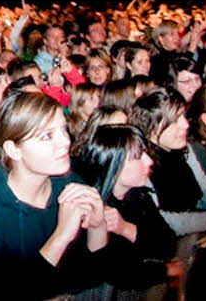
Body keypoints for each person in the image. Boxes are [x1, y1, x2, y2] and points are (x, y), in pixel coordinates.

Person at [0, 92, 109, 299]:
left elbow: (91, 275)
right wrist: (62, 235)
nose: (65, 142)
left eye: (63, 129)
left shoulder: (69, 183)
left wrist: (98, 225)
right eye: (47, 136)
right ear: (14, 150)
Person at [73, 125, 180, 297]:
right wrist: (165, 270)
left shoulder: (137, 195)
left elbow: (168, 244)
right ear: (115, 165)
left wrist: (126, 229)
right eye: (138, 156)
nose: (149, 160)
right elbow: (119, 274)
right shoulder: (91, 208)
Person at [128, 88, 206, 236]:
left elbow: (205, 190)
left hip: (198, 229)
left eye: (184, 117)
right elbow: (161, 221)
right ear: (152, 127)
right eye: (175, 120)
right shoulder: (140, 163)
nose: (185, 125)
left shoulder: (184, 149)